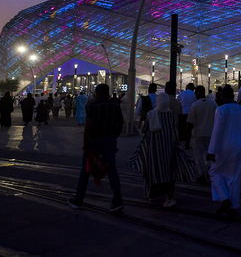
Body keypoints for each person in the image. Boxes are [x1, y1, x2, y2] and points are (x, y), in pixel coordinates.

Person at [129, 92, 195, 207]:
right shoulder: (170, 114)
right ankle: (170, 195)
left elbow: (145, 129)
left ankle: (153, 192)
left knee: (154, 171)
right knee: (168, 172)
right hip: (169, 148)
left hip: (154, 149)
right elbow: (174, 130)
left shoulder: (152, 114)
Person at [68, 84, 124, 212]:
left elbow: (88, 127)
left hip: (94, 140)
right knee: (111, 169)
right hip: (109, 140)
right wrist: (114, 137)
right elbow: (120, 124)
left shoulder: (93, 105)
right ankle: (117, 200)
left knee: (86, 170)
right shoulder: (115, 106)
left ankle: (78, 200)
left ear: (97, 93)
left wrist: (86, 145)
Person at [207, 85, 241, 216]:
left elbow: (217, 130)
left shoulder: (221, 109)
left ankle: (224, 198)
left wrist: (212, 150)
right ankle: (233, 206)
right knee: (235, 176)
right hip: (239, 145)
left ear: (222, 96)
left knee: (214, 172)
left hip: (224, 146)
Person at [185, 85, 218, 185]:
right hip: (211, 133)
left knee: (198, 154)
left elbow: (190, 122)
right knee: (209, 153)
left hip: (198, 133)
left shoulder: (195, 105)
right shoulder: (213, 104)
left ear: (198, 93)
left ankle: (202, 174)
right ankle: (209, 169)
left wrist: (186, 136)